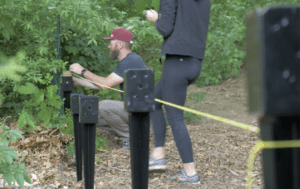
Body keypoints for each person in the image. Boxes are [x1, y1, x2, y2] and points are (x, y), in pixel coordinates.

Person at [145, 0, 211, 184]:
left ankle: (190, 172)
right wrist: (162, 17)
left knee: (175, 119)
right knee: (153, 100)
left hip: (177, 62)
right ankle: (158, 154)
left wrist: (155, 19)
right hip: (194, 62)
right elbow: (186, 23)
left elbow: (165, 28)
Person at [69, 28, 147, 150]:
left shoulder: (130, 61)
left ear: (120, 44)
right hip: (135, 110)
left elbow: (105, 84)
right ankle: (133, 133)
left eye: (111, 43)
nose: (108, 47)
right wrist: (77, 81)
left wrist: (82, 71)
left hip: (140, 111)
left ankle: (131, 139)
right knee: (94, 118)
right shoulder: (130, 60)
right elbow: (102, 84)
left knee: (103, 106)